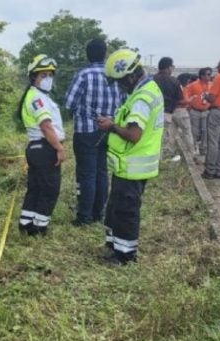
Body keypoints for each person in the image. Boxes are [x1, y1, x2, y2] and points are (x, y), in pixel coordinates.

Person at [96, 49, 165, 265]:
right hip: (126, 166)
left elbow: (134, 135)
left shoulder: (142, 99)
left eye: (120, 82)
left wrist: (112, 127)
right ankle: (115, 246)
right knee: (116, 207)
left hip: (133, 166)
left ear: (131, 76)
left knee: (126, 211)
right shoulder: (145, 90)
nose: (119, 86)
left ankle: (125, 256)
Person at [64, 38, 121, 226]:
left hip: (86, 131)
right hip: (109, 130)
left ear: (88, 54)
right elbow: (122, 102)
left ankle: (84, 217)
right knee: (101, 172)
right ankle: (98, 213)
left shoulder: (84, 75)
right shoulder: (113, 75)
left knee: (87, 174)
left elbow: (69, 103)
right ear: (105, 53)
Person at [17, 54, 67, 235]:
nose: (48, 79)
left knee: (36, 188)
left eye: (50, 75)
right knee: (49, 189)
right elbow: (46, 127)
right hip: (45, 148)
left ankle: (26, 223)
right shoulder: (37, 98)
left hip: (37, 148)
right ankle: (39, 228)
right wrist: (59, 148)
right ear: (33, 78)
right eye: (43, 75)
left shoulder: (37, 96)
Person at [152, 57, 182, 157]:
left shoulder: (151, 79)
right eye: (172, 67)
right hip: (166, 113)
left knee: (151, 138)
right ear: (168, 67)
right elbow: (179, 98)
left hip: (151, 113)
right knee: (163, 139)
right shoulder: (174, 81)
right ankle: (159, 160)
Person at [185, 67, 213, 155]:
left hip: (206, 111)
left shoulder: (211, 85)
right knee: (194, 131)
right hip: (195, 111)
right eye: (208, 74)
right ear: (202, 76)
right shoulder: (193, 85)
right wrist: (188, 104)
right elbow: (186, 95)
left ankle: (203, 149)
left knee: (205, 131)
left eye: (210, 74)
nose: (210, 76)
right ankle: (192, 148)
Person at [173, 73, 195, 153]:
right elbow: (183, 101)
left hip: (172, 111)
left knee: (173, 133)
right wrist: (191, 99)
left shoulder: (174, 87)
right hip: (182, 111)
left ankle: (174, 151)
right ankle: (191, 152)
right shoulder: (183, 88)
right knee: (187, 133)